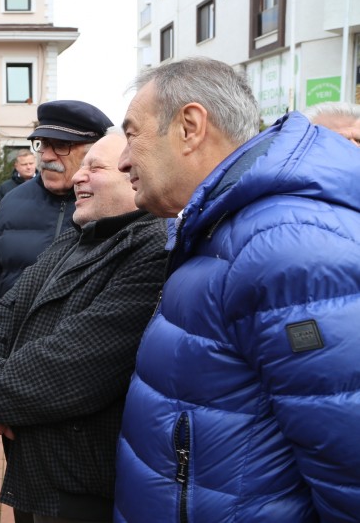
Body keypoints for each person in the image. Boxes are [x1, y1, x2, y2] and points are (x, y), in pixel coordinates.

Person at [114, 57, 360, 521]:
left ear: (190, 126)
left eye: (132, 134)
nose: (123, 158)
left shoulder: (286, 246)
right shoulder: (226, 230)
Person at [0, 133, 166, 523]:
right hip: (35, 466)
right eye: (81, 166)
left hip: (81, 483)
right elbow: (4, 309)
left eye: (94, 167)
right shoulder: (79, 236)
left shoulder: (151, 248)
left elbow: (71, 365)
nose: (78, 177)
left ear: (134, 175)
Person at [0, 100, 113, 347]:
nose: (46, 156)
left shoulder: (111, 208)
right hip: (2, 355)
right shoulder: (11, 201)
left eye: (60, 145)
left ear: (93, 152)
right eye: (42, 144)